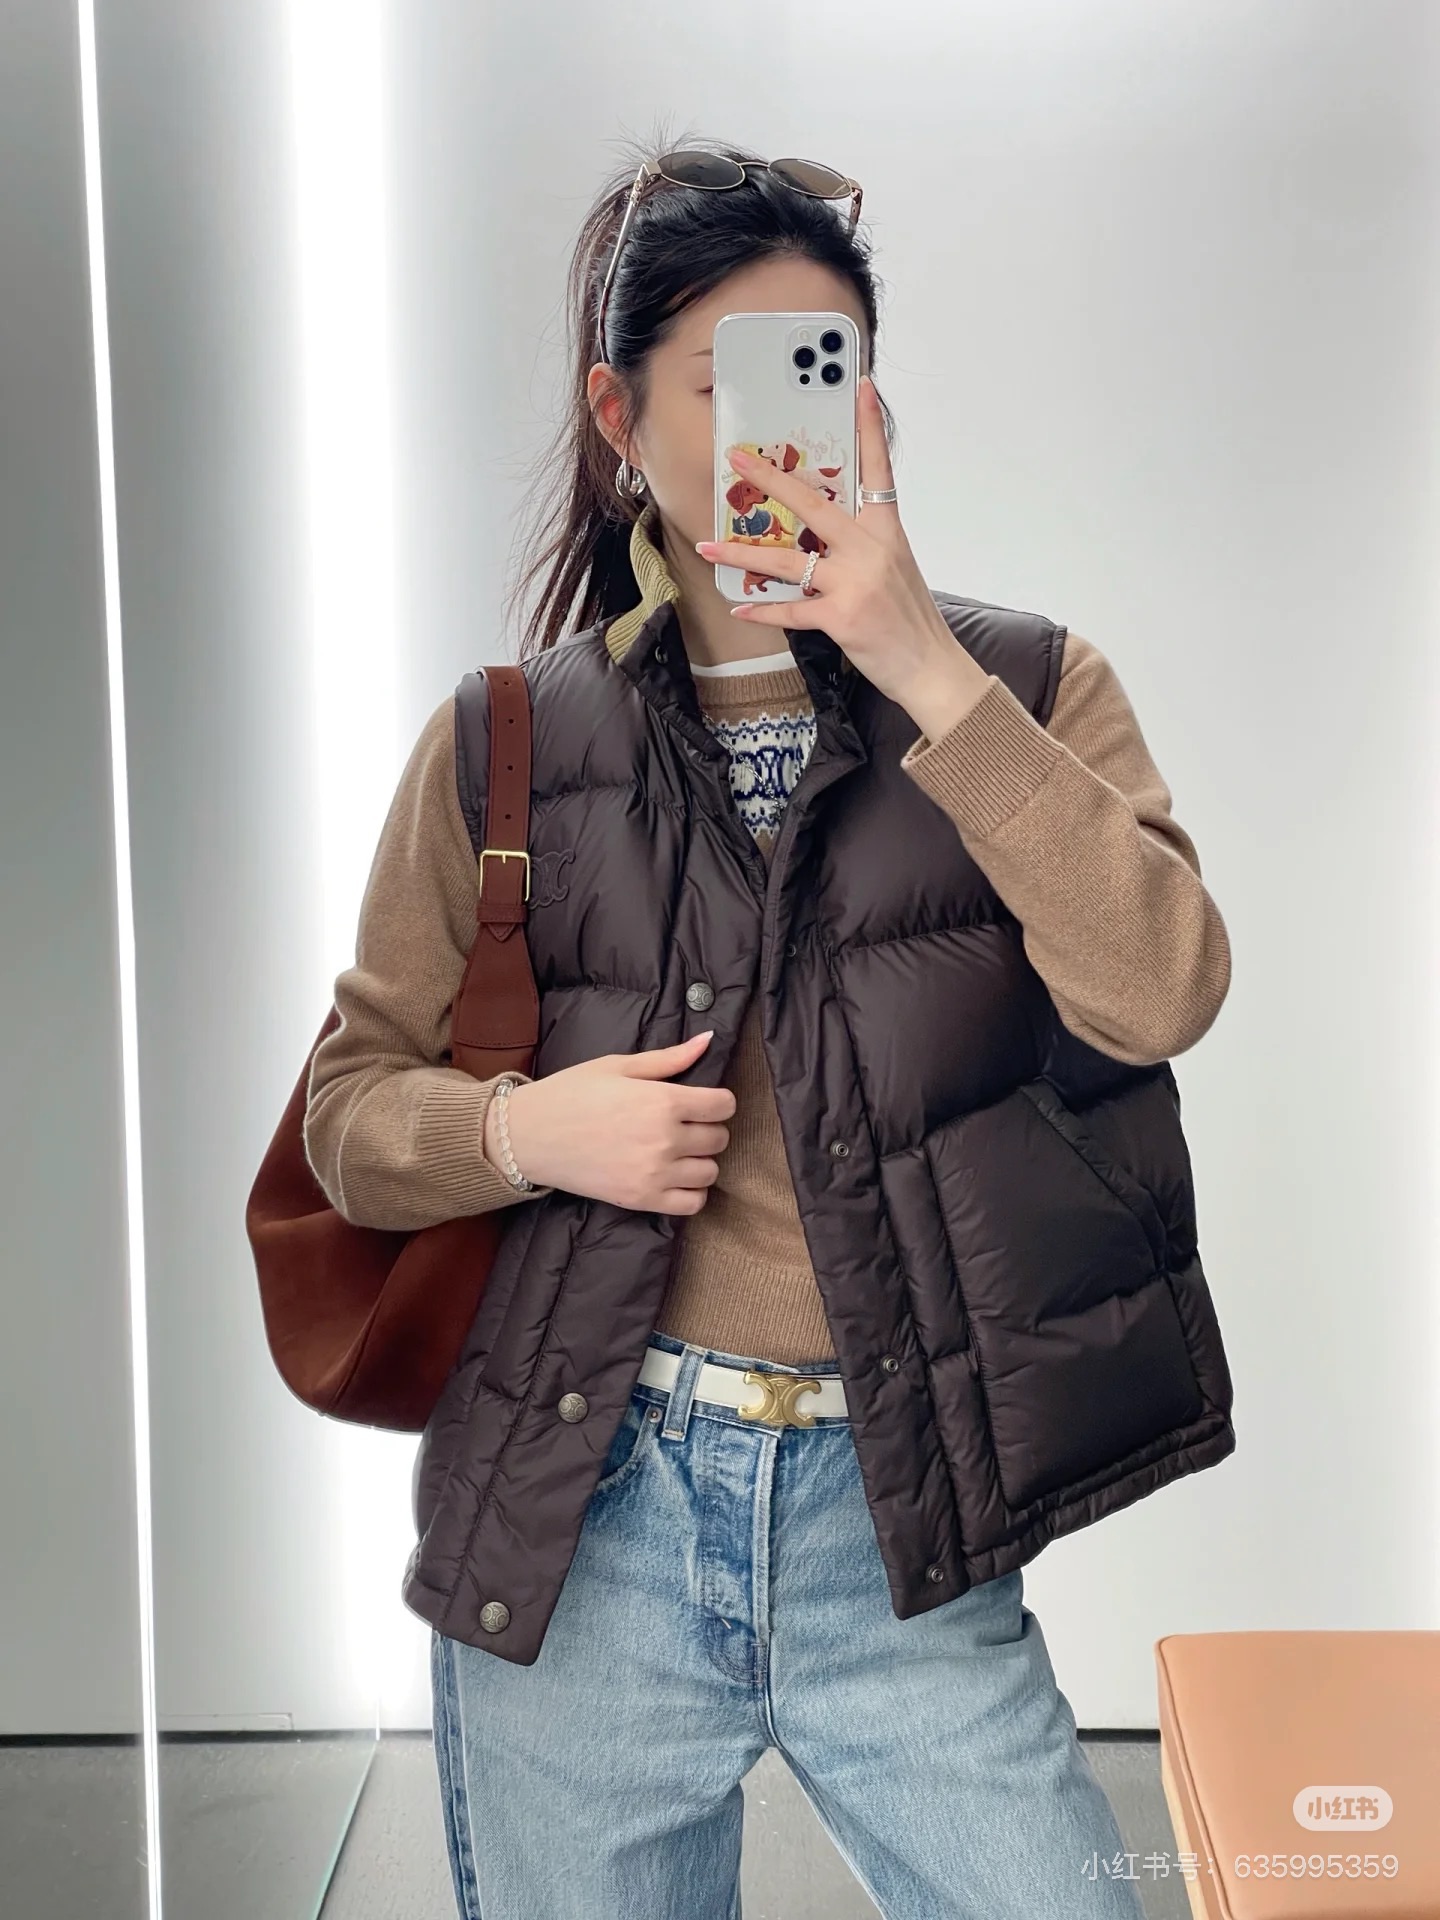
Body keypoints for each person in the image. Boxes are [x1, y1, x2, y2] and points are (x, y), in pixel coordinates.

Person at [304, 123, 1232, 1920]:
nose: (782, 433)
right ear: (619, 417)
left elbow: (1165, 986)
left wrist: (921, 664)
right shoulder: (503, 744)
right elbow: (349, 1115)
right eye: (727, 383)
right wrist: (526, 1131)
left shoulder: (1024, 686)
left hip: (900, 1509)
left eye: (824, 376)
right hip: (588, 1515)